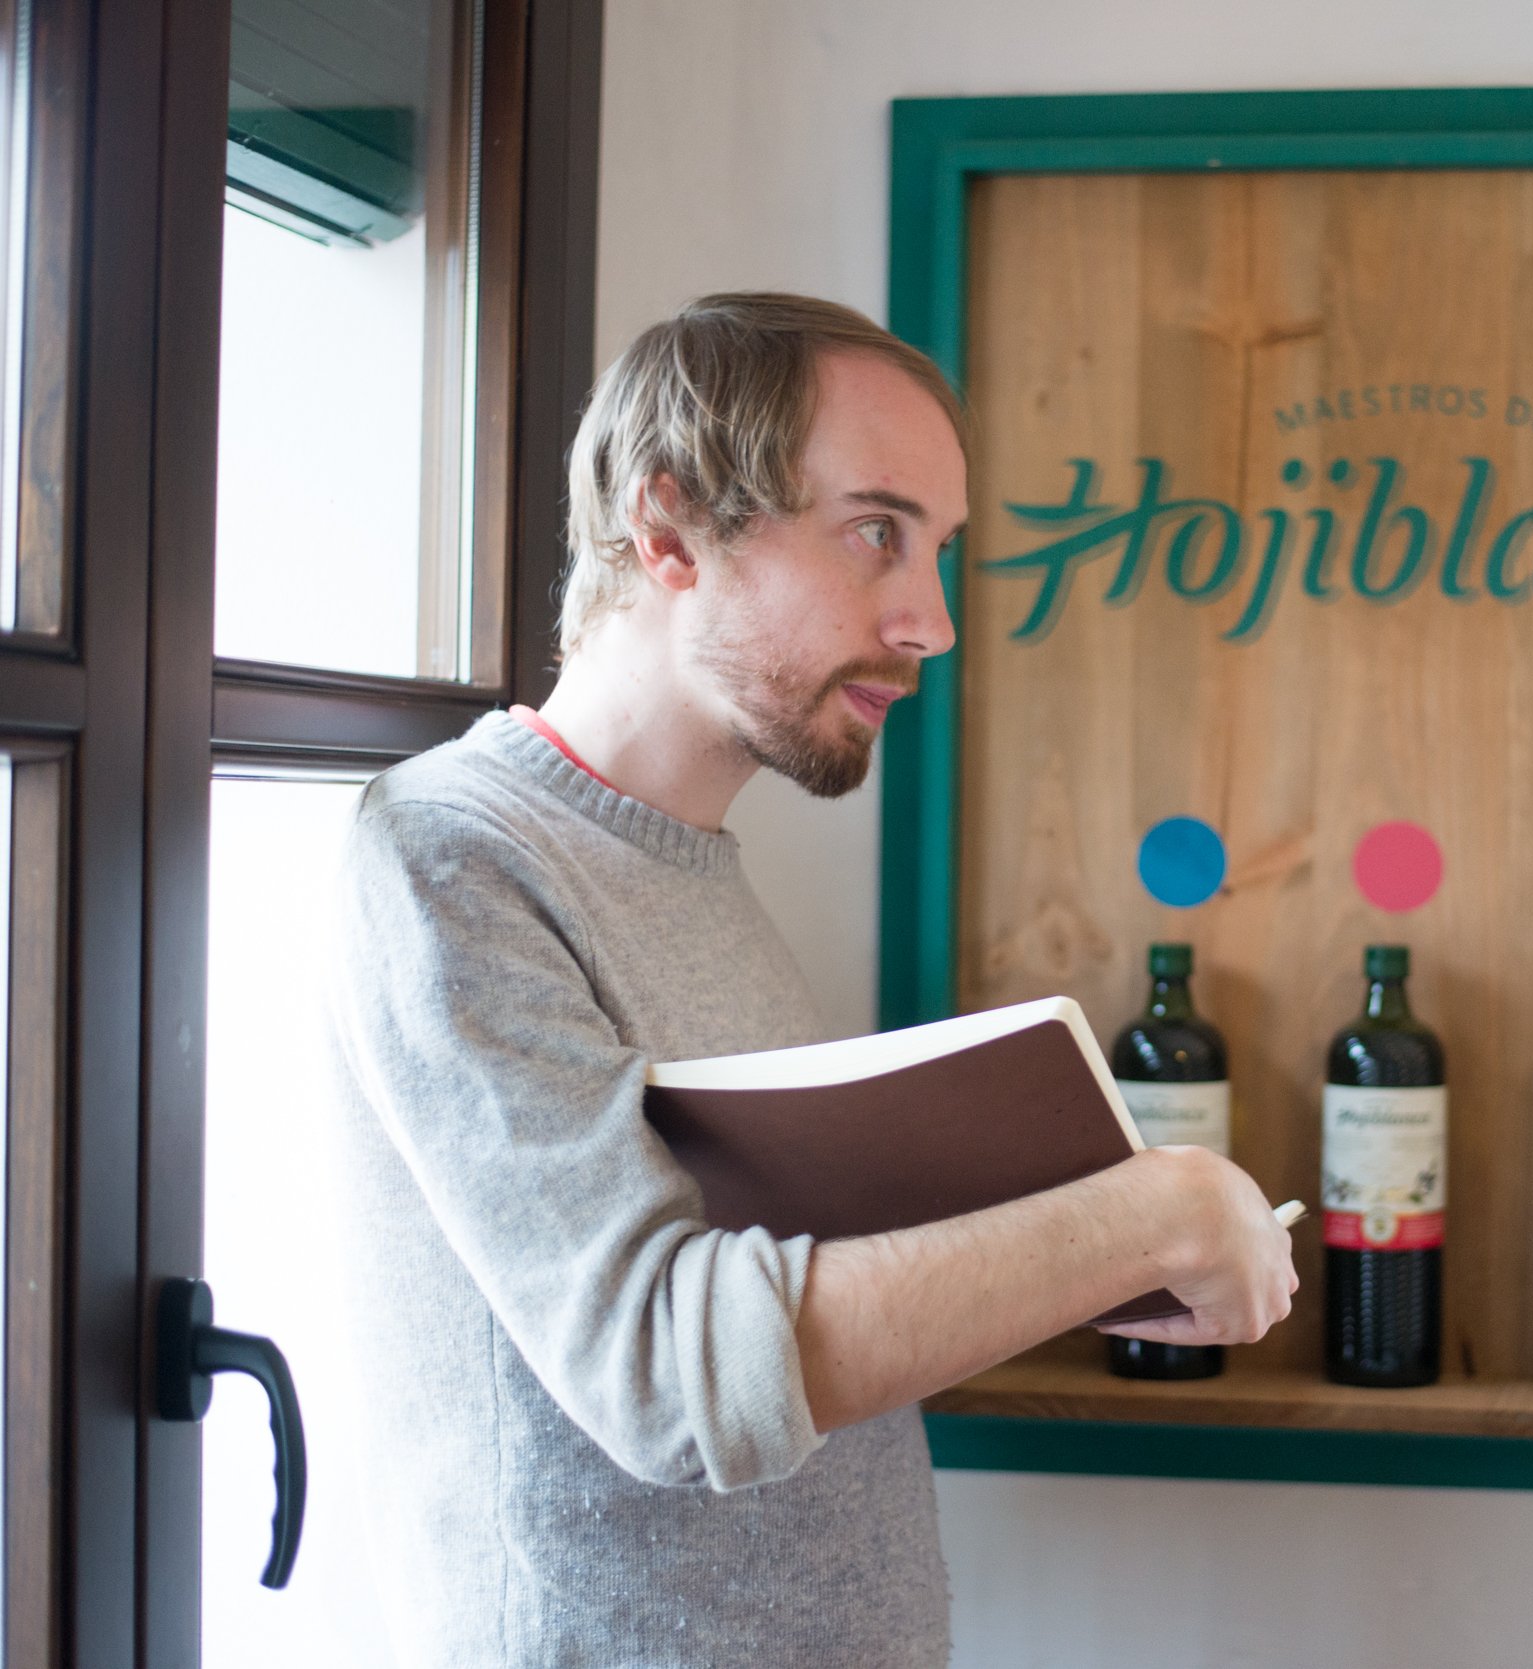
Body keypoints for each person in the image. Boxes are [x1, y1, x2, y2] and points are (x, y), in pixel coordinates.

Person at [321, 292, 1297, 1667]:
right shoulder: (447, 853)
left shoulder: (687, 860)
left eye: (939, 552)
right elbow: (666, 1370)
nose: (933, 621)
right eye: (877, 533)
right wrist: (1145, 1220)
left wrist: (1092, 1253)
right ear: (667, 532)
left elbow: (789, 1308)